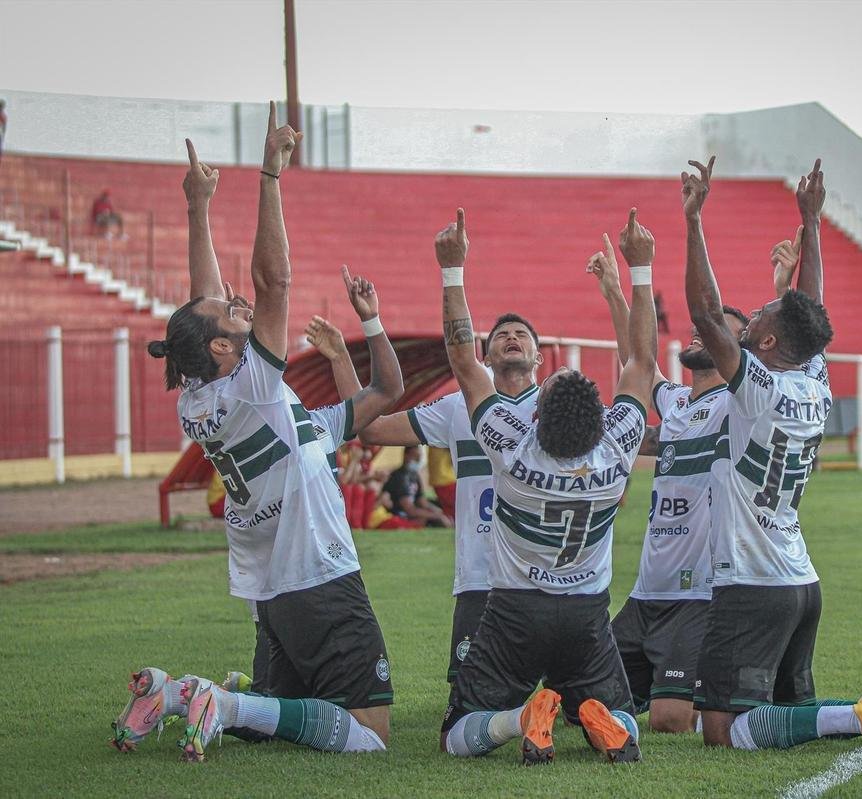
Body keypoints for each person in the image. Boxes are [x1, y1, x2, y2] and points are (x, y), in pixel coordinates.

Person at [115, 105, 403, 761]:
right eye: (230, 312)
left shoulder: (202, 392)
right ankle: (219, 701)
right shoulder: (255, 383)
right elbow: (274, 280)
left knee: (278, 715)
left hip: (270, 587)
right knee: (369, 732)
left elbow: (203, 303)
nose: (236, 301)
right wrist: (270, 175)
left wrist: (198, 208)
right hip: (317, 571)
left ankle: (173, 693)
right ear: (223, 347)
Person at [680, 155, 862, 751]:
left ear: (767, 340)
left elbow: (706, 314)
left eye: (760, 315)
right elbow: (810, 309)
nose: (753, 313)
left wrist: (694, 219)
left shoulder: (759, 387)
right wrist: (811, 222)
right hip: (800, 579)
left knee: (722, 731)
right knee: (791, 712)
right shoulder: (813, 377)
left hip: (753, 580)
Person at [438, 207, 654, 765]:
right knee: (623, 711)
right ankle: (602, 719)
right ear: (600, 416)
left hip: (515, 609)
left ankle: (521, 718)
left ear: (536, 415)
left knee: (457, 735)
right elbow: (642, 360)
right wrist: (640, 270)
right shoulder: (618, 447)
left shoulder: (511, 449)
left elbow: (464, 359)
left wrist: (452, 270)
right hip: (586, 611)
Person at [304, 308, 543, 687]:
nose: (511, 337)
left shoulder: (559, 406)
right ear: (484, 359)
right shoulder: (458, 408)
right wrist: (340, 358)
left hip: (548, 579)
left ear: (539, 357)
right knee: (468, 702)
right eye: (502, 335)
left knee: (576, 705)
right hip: (480, 578)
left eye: (521, 334)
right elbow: (371, 430)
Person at [587, 227, 750, 734]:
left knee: (670, 719)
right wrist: (615, 292)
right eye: (702, 327)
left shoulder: (738, 405)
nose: (702, 332)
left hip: (699, 595)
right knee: (582, 706)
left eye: (717, 329)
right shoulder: (677, 400)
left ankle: (731, 702)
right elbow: (638, 360)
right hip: (646, 593)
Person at [380, 447, 453, 527]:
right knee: (423, 520)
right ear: (406, 455)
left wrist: (440, 513)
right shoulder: (400, 477)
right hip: (399, 515)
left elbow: (422, 501)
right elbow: (409, 510)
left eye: (419, 458)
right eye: (415, 457)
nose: (418, 460)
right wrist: (435, 516)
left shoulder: (414, 475)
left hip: (412, 513)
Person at [427, 446, 457, 516]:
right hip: (444, 479)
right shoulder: (441, 441)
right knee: (455, 508)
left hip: (443, 479)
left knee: (450, 510)